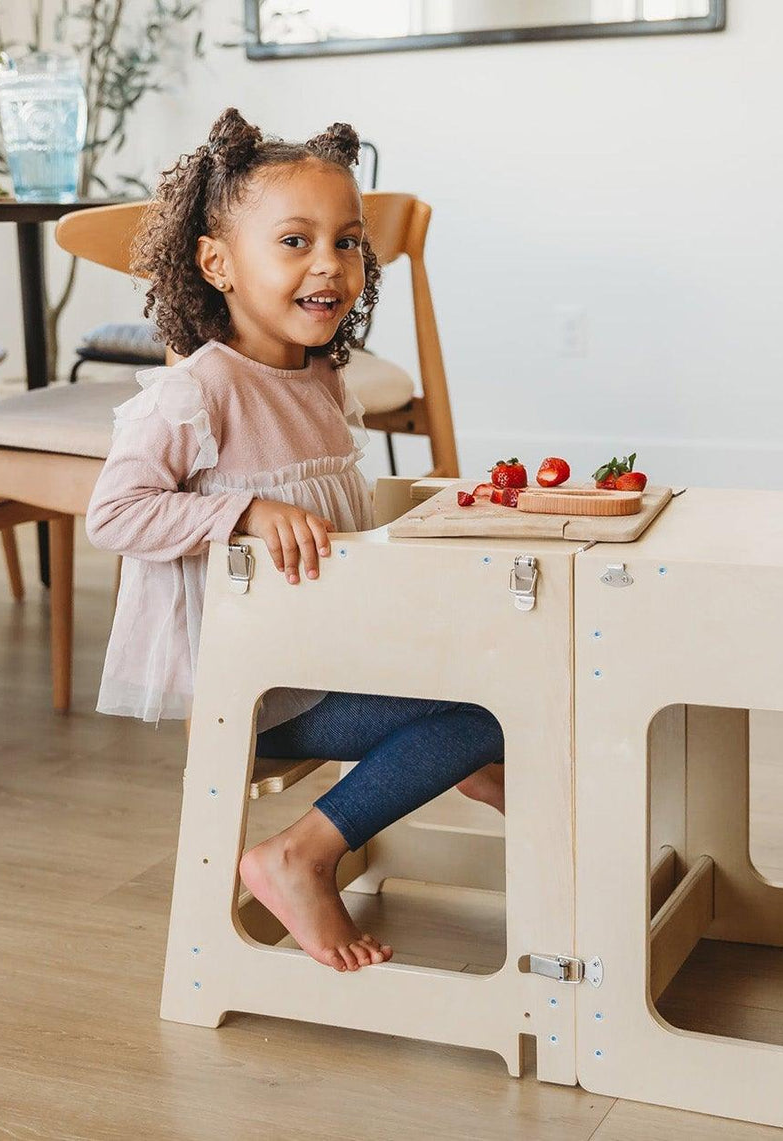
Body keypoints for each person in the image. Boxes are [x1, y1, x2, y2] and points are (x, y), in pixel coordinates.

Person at [86, 108, 504, 973]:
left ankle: (480, 765)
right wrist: (236, 514)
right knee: (483, 714)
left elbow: (341, 513)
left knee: (510, 668)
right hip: (265, 688)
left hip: (333, 653)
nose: (329, 263)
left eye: (348, 242)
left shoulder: (320, 379)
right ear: (217, 263)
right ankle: (301, 854)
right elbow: (114, 513)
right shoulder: (194, 394)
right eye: (294, 240)